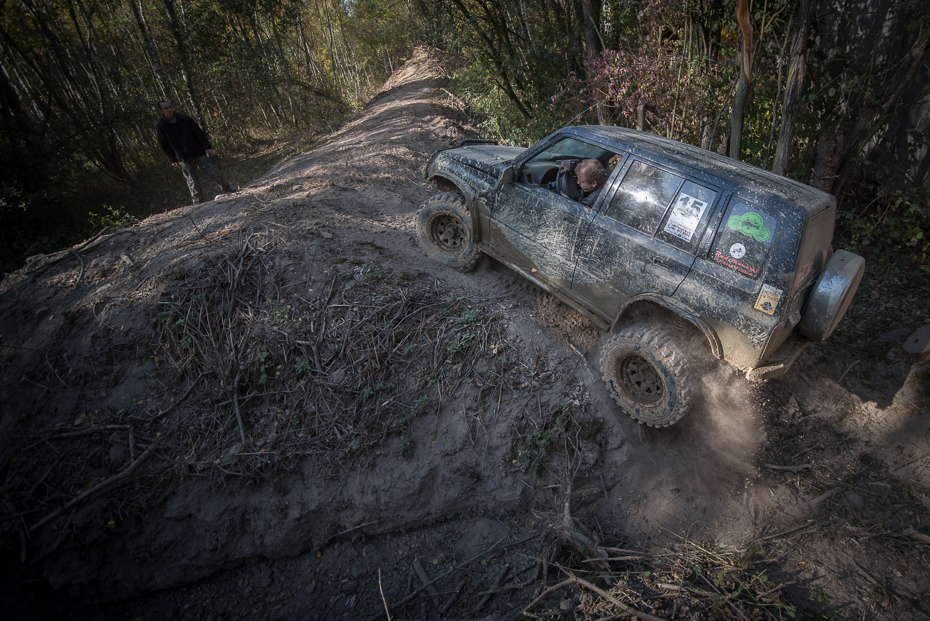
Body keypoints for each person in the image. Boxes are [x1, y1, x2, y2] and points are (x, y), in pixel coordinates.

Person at [156, 101, 236, 204]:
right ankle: (198, 201)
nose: (169, 110)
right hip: (183, 157)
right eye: (166, 108)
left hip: (198, 152)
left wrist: (207, 147)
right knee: (192, 181)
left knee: (214, 172)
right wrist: (172, 159)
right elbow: (164, 144)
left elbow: (199, 133)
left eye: (170, 107)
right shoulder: (161, 126)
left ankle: (227, 188)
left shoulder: (185, 119)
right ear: (161, 110)